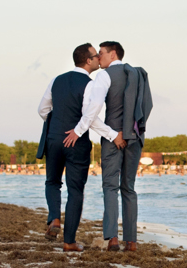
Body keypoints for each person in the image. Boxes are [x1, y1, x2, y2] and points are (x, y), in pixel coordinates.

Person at [37, 43, 109, 251]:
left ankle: (54, 218)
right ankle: (69, 242)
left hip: (54, 138)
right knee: (75, 190)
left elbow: (43, 110)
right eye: (96, 56)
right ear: (88, 60)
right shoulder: (90, 85)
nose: (98, 59)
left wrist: (58, 123)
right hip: (76, 142)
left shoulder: (56, 80)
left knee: (52, 181)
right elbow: (90, 115)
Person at [87, 41, 145, 252]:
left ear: (112, 55)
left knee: (110, 186)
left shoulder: (104, 75)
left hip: (113, 137)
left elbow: (94, 109)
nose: (98, 58)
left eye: (101, 53)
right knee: (128, 188)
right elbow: (147, 105)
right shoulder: (138, 74)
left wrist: (112, 134)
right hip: (135, 136)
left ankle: (112, 238)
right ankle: (132, 242)